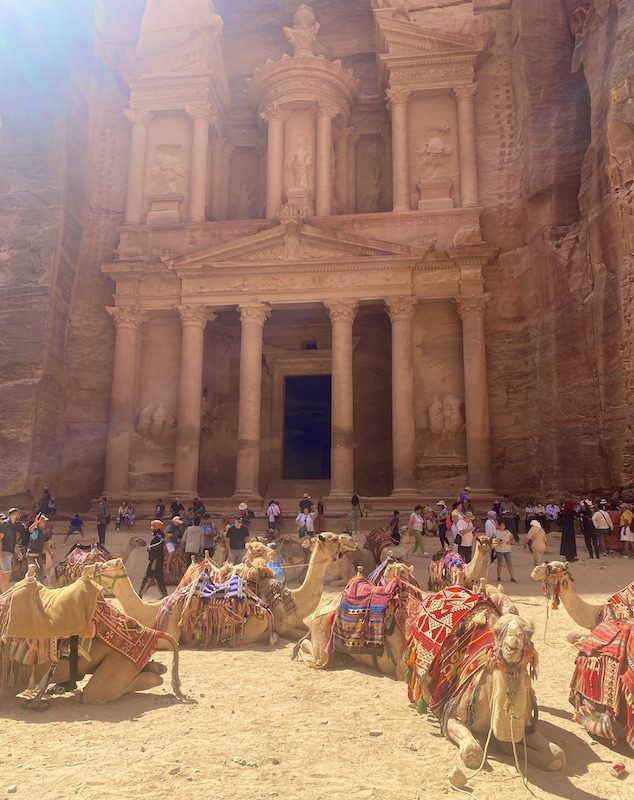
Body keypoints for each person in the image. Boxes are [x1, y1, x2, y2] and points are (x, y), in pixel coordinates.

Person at [139, 520, 168, 598]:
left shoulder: (159, 536)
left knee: (148, 576)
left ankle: (140, 594)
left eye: (154, 526)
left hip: (155, 560)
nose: (152, 528)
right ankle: (164, 595)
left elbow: (162, 543)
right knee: (159, 577)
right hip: (157, 559)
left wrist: (151, 547)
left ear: (158, 527)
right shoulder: (157, 535)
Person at [0, 508, 24, 592]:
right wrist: (0, 555)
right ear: (13, 515)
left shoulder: (13, 526)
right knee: (6, 577)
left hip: (8, 553)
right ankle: (5, 597)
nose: (19, 515)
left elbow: (12, 542)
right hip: (4, 553)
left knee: (3, 577)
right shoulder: (5, 524)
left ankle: (2, 597)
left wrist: (17, 552)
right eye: (18, 514)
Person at [27, 513, 48, 582]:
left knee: (37, 573)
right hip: (34, 554)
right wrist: (35, 523)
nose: (45, 523)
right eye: (43, 521)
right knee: (38, 573)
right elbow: (30, 530)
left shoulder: (41, 531)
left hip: (37, 554)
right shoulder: (36, 531)